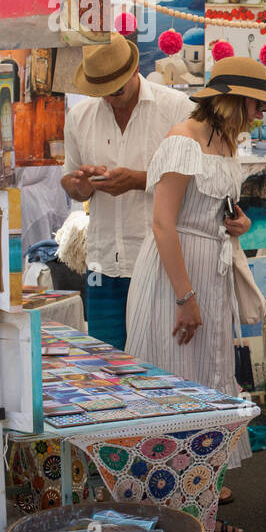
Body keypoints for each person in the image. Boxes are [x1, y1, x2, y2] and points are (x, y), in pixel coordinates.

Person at [123, 56, 266, 532]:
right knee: (169, 384)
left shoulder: (224, 143)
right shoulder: (182, 139)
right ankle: (160, 516)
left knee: (203, 383)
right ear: (234, 99)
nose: (258, 115)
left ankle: (195, 507)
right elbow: (163, 223)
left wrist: (240, 225)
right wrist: (184, 295)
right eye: (255, 105)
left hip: (207, 274)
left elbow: (216, 210)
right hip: (176, 277)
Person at [60, 34, 194, 348]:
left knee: (162, 370)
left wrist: (135, 180)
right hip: (103, 265)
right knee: (107, 372)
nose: (110, 98)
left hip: (161, 265)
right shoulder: (80, 118)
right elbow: (70, 181)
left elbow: (195, 183)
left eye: (116, 90)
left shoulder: (177, 110)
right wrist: (80, 185)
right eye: (102, 92)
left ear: (134, 71)